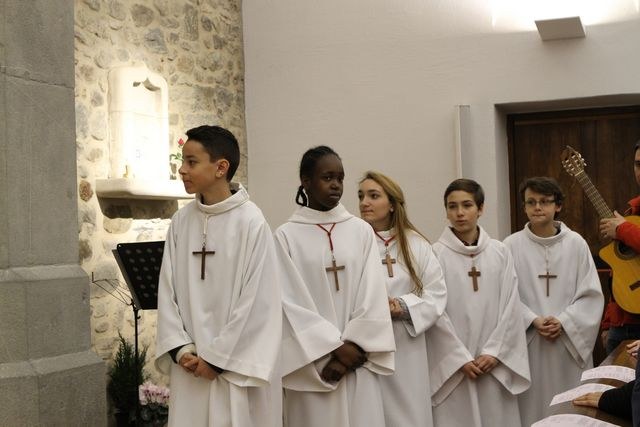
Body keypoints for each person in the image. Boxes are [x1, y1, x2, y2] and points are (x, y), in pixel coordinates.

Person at [154, 125, 282, 427]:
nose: (182, 170)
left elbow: (258, 302)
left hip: (233, 369)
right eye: (183, 161)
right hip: (190, 368)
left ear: (221, 168)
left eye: (191, 162)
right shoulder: (181, 221)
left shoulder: (251, 222)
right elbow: (166, 291)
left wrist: (216, 359)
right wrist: (181, 349)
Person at [275, 146, 395, 427]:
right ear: (306, 181)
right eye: (327, 178)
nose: (336, 185)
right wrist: (332, 349)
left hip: (358, 360)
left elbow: (373, 292)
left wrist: (351, 349)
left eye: (340, 178)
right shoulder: (285, 236)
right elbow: (286, 302)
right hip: (314, 366)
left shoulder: (361, 231)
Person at [425, 178, 530, 427]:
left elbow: (511, 305)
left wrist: (495, 352)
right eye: (452, 207)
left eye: (467, 205)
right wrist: (458, 358)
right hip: (456, 367)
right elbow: (434, 311)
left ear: (480, 209)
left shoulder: (499, 252)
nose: (459, 213)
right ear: (446, 211)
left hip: (494, 363)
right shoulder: (435, 254)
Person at [503, 177, 604, 426]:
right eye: (531, 202)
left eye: (545, 201)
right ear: (524, 207)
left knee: (569, 410)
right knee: (531, 409)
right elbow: (504, 296)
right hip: (529, 345)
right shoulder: (510, 246)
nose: (537, 207)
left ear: (557, 206)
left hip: (566, 345)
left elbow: (591, 295)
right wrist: (532, 320)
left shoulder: (576, 244)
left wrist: (564, 321)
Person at [358, 171, 447, 426]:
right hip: (369, 348)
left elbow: (437, 293)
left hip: (408, 349)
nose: (364, 202)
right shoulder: (355, 243)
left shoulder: (417, 244)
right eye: (361, 196)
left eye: (374, 196)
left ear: (392, 204)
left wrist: (402, 306)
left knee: (410, 415)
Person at [600, 141, 640, 355]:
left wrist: (623, 229)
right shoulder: (631, 211)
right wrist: (608, 321)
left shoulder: (624, 224)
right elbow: (620, 270)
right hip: (620, 325)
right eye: (638, 164)